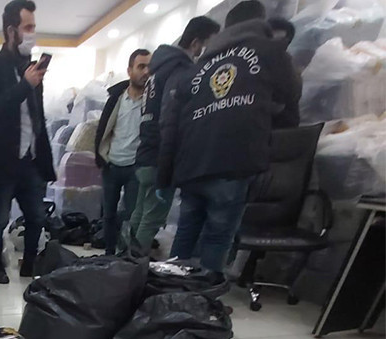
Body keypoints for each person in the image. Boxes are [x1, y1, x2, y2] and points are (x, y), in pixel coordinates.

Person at [157, 0, 301, 272]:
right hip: (233, 161)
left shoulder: (200, 65)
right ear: (260, 23)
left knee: (186, 235)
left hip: (191, 165)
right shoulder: (270, 52)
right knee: (217, 237)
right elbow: (290, 101)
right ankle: (203, 294)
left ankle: (169, 289)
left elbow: (172, 122)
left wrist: (165, 175)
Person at [0, 0, 56, 284]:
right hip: (3, 160)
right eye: (28, 27)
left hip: (31, 161)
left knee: (37, 217)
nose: (33, 34)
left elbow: (38, 116)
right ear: (11, 31)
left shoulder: (32, 69)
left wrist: (46, 160)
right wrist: (25, 85)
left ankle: (29, 264)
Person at [129, 17, 220, 253]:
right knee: (150, 220)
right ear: (196, 42)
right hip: (160, 157)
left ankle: (123, 260)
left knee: (139, 214)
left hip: (145, 153)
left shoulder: (158, 70)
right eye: (208, 43)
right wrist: (167, 168)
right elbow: (170, 121)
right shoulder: (180, 70)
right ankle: (132, 266)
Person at [93, 49, 151, 255]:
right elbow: (103, 128)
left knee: (131, 215)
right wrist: (101, 157)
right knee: (108, 214)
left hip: (136, 167)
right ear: (130, 70)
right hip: (112, 165)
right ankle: (109, 255)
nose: (146, 71)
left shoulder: (152, 101)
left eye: (149, 67)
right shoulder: (116, 99)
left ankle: (126, 256)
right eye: (141, 66)